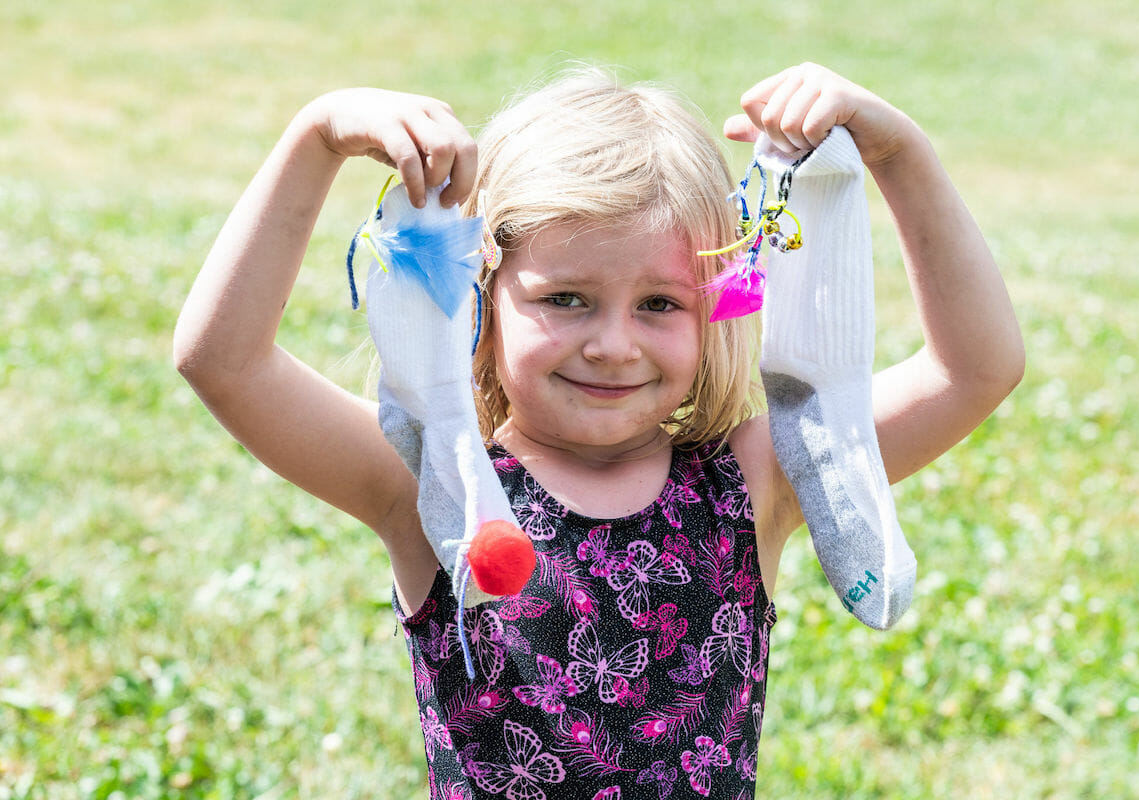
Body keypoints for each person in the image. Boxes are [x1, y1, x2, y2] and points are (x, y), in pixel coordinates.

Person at [175, 63, 1024, 799]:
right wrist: (315, 137)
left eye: (659, 303)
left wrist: (896, 153)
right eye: (565, 298)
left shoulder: (755, 482)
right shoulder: (435, 487)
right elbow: (224, 362)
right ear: (483, 293)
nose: (612, 344)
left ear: (718, 306)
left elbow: (975, 370)